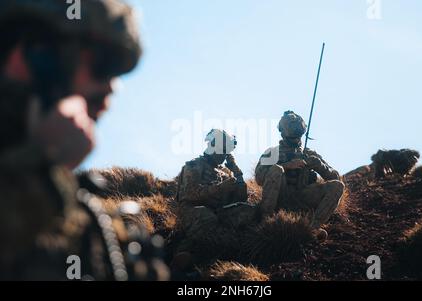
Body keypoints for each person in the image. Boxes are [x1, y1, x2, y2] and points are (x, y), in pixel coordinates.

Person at [0, 0, 168, 280]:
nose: (110, 92)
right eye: (104, 64)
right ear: (35, 55)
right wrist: (35, 173)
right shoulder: (39, 182)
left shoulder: (76, 210)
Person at [255, 111, 344, 238]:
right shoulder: (273, 152)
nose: (296, 139)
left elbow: (336, 178)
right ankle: (266, 221)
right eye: (292, 137)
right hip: (280, 197)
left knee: (337, 186)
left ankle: (312, 228)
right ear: (283, 133)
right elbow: (259, 178)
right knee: (276, 169)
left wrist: (319, 166)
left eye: (298, 136)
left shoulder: (309, 153)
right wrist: (287, 165)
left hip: (303, 197)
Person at [175, 129, 256, 262]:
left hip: (219, 212)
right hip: (193, 212)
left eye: (227, 151)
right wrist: (219, 188)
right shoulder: (195, 165)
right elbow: (189, 194)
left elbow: (241, 199)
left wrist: (237, 172)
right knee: (206, 217)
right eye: (222, 150)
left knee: (247, 211)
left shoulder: (225, 172)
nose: (224, 155)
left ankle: (228, 252)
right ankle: (186, 255)